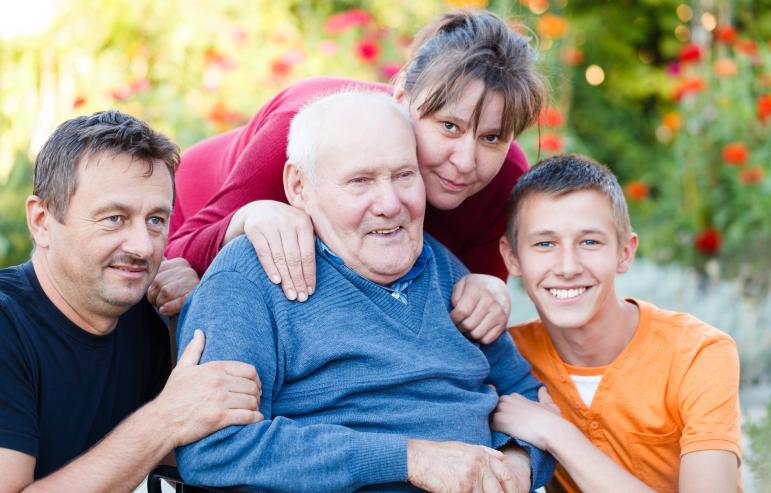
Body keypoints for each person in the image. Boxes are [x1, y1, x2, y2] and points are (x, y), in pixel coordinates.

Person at [175, 91, 554, 492]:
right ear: (298, 187)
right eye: (360, 181)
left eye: (404, 175)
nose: (390, 204)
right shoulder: (251, 277)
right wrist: (410, 459)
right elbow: (216, 448)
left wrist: (518, 462)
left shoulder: (447, 274)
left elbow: (527, 394)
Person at [165, 10, 546, 344]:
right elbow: (176, 251)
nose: (465, 161)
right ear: (401, 98)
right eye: (449, 126)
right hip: (195, 207)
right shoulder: (308, 132)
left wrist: (490, 290)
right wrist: (247, 218)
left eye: (492, 137)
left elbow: (457, 315)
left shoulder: (503, 176)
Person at [0, 111, 262, 493]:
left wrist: (194, 311)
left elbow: (190, 460)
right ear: (42, 221)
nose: (142, 247)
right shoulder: (8, 326)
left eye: (156, 220)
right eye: (113, 219)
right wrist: (164, 418)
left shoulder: (146, 320)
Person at [493, 154, 741, 492]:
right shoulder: (508, 357)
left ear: (624, 252)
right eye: (545, 244)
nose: (567, 267)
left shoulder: (697, 353)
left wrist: (558, 434)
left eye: (590, 242)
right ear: (512, 258)